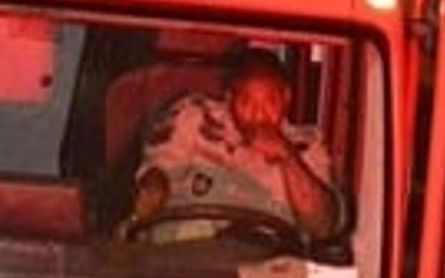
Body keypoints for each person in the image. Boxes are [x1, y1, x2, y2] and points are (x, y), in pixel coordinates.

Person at [123, 48, 339, 243]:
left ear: (286, 97)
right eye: (247, 103)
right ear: (229, 98)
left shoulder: (307, 146)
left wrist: (288, 157)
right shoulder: (193, 118)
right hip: (183, 261)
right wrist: (154, 186)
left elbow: (320, 226)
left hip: (261, 272)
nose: (259, 116)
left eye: (270, 103)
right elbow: (155, 172)